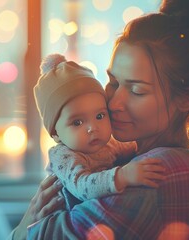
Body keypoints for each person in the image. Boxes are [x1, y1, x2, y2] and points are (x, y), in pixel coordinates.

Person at [12, 0, 189, 239]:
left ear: (186, 98)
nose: (114, 103)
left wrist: (25, 225)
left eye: (137, 91)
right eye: (113, 83)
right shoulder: (176, 164)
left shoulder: (149, 177)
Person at [33, 53, 166, 209]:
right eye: (77, 122)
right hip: (66, 219)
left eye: (99, 115)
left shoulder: (107, 144)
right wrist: (123, 176)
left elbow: (134, 148)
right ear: (55, 133)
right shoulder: (63, 156)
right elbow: (82, 187)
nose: (92, 128)